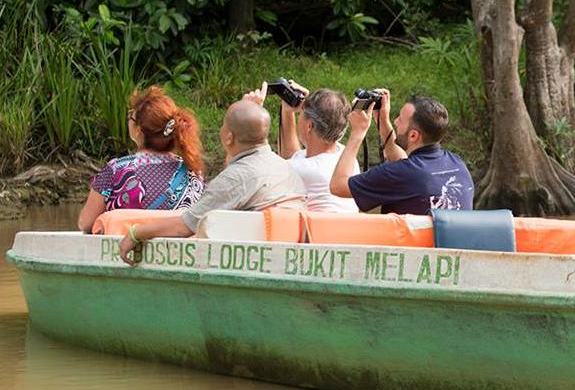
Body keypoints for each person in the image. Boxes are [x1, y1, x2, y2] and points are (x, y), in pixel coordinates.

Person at [118, 99, 306, 264]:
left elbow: (184, 227)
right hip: (282, 253)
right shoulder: (287, 168)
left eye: (224, 124)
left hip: (250, 259)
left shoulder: (235, 178)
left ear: (228, 136)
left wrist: (137, 233)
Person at [78, 86, 205, 233]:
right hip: (176, 253)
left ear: (138, 130)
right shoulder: (194, 172)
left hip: (124, 253)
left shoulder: (115, 170)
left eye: (131, 116)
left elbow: (85, 223)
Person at [329, 90, 474, 215]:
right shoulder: (457, 163)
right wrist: (383, 121)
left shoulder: (398, 174)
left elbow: (338, 186)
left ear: (413, 136)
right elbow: (406, 166)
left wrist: (357, 133)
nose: (396, 121)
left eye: (400, 118)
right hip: (453, 245)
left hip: (411, 248)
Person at [243, 80, 359, 213]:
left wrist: (249, 115)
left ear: (309, 126)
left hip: (315, 233)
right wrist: (288, 112)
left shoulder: (301, 170)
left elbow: (246, 170)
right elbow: (294, 157)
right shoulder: (344, 155)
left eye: (301, 114)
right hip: (343, 230)